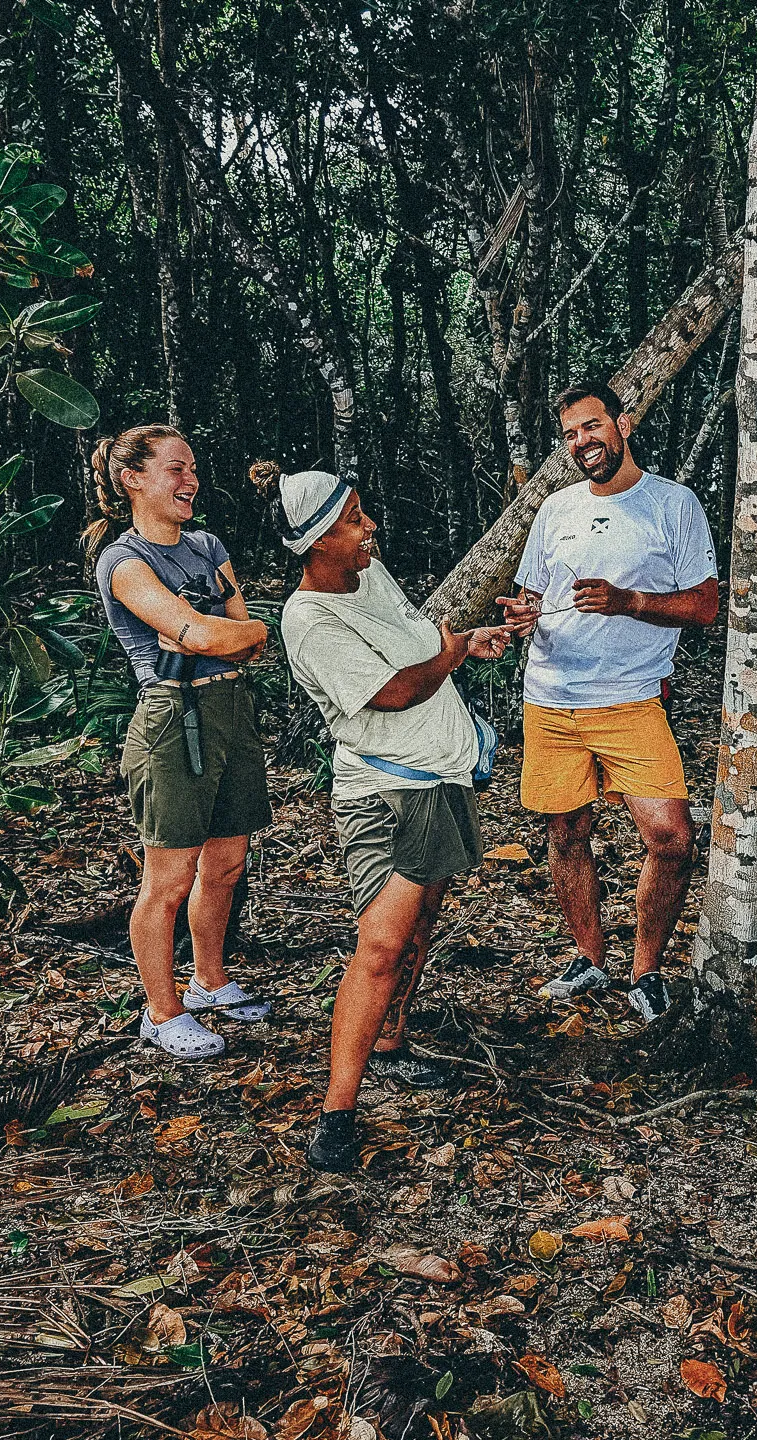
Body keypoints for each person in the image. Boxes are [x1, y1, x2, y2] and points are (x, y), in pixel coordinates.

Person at [256, 461, 511, 1174]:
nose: (370, 527)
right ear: (314, 543)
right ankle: (337, 1113)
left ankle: (391, 1043)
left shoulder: (367, 574)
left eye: (363, 512)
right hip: (385, 789)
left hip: (440, 777)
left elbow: (416, 646)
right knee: (380, 943)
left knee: (418, 923)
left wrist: (468, 643)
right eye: (353, 521)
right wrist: (450, 656)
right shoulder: (308, 618)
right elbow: (393, 692)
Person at [495, 382, 719, 1023]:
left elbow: (705, 604)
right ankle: (588, 959)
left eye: (592, 426)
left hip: (631, 701)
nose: (582, 442)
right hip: (551, 700)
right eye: (570, 434)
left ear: (623, 424)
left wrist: (630, 601)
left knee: (671, 840)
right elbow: (532, 596)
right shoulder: (555, 510)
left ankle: (646, 972)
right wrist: (521, 617)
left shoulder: (673, 504)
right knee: (566, 832)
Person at [86, 424, 273, 1060]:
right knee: (168, 878)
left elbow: (246, 634)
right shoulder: (123, 562)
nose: (191, 480)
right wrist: (216, 631)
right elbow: (211, 633)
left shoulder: (207, 546)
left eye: (192, 468)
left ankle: (210, 982)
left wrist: (222, 632)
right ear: (132, 480)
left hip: (231, 710)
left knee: (226, 863)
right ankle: (161, 1013)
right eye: (175, 469)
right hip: (172, 719)